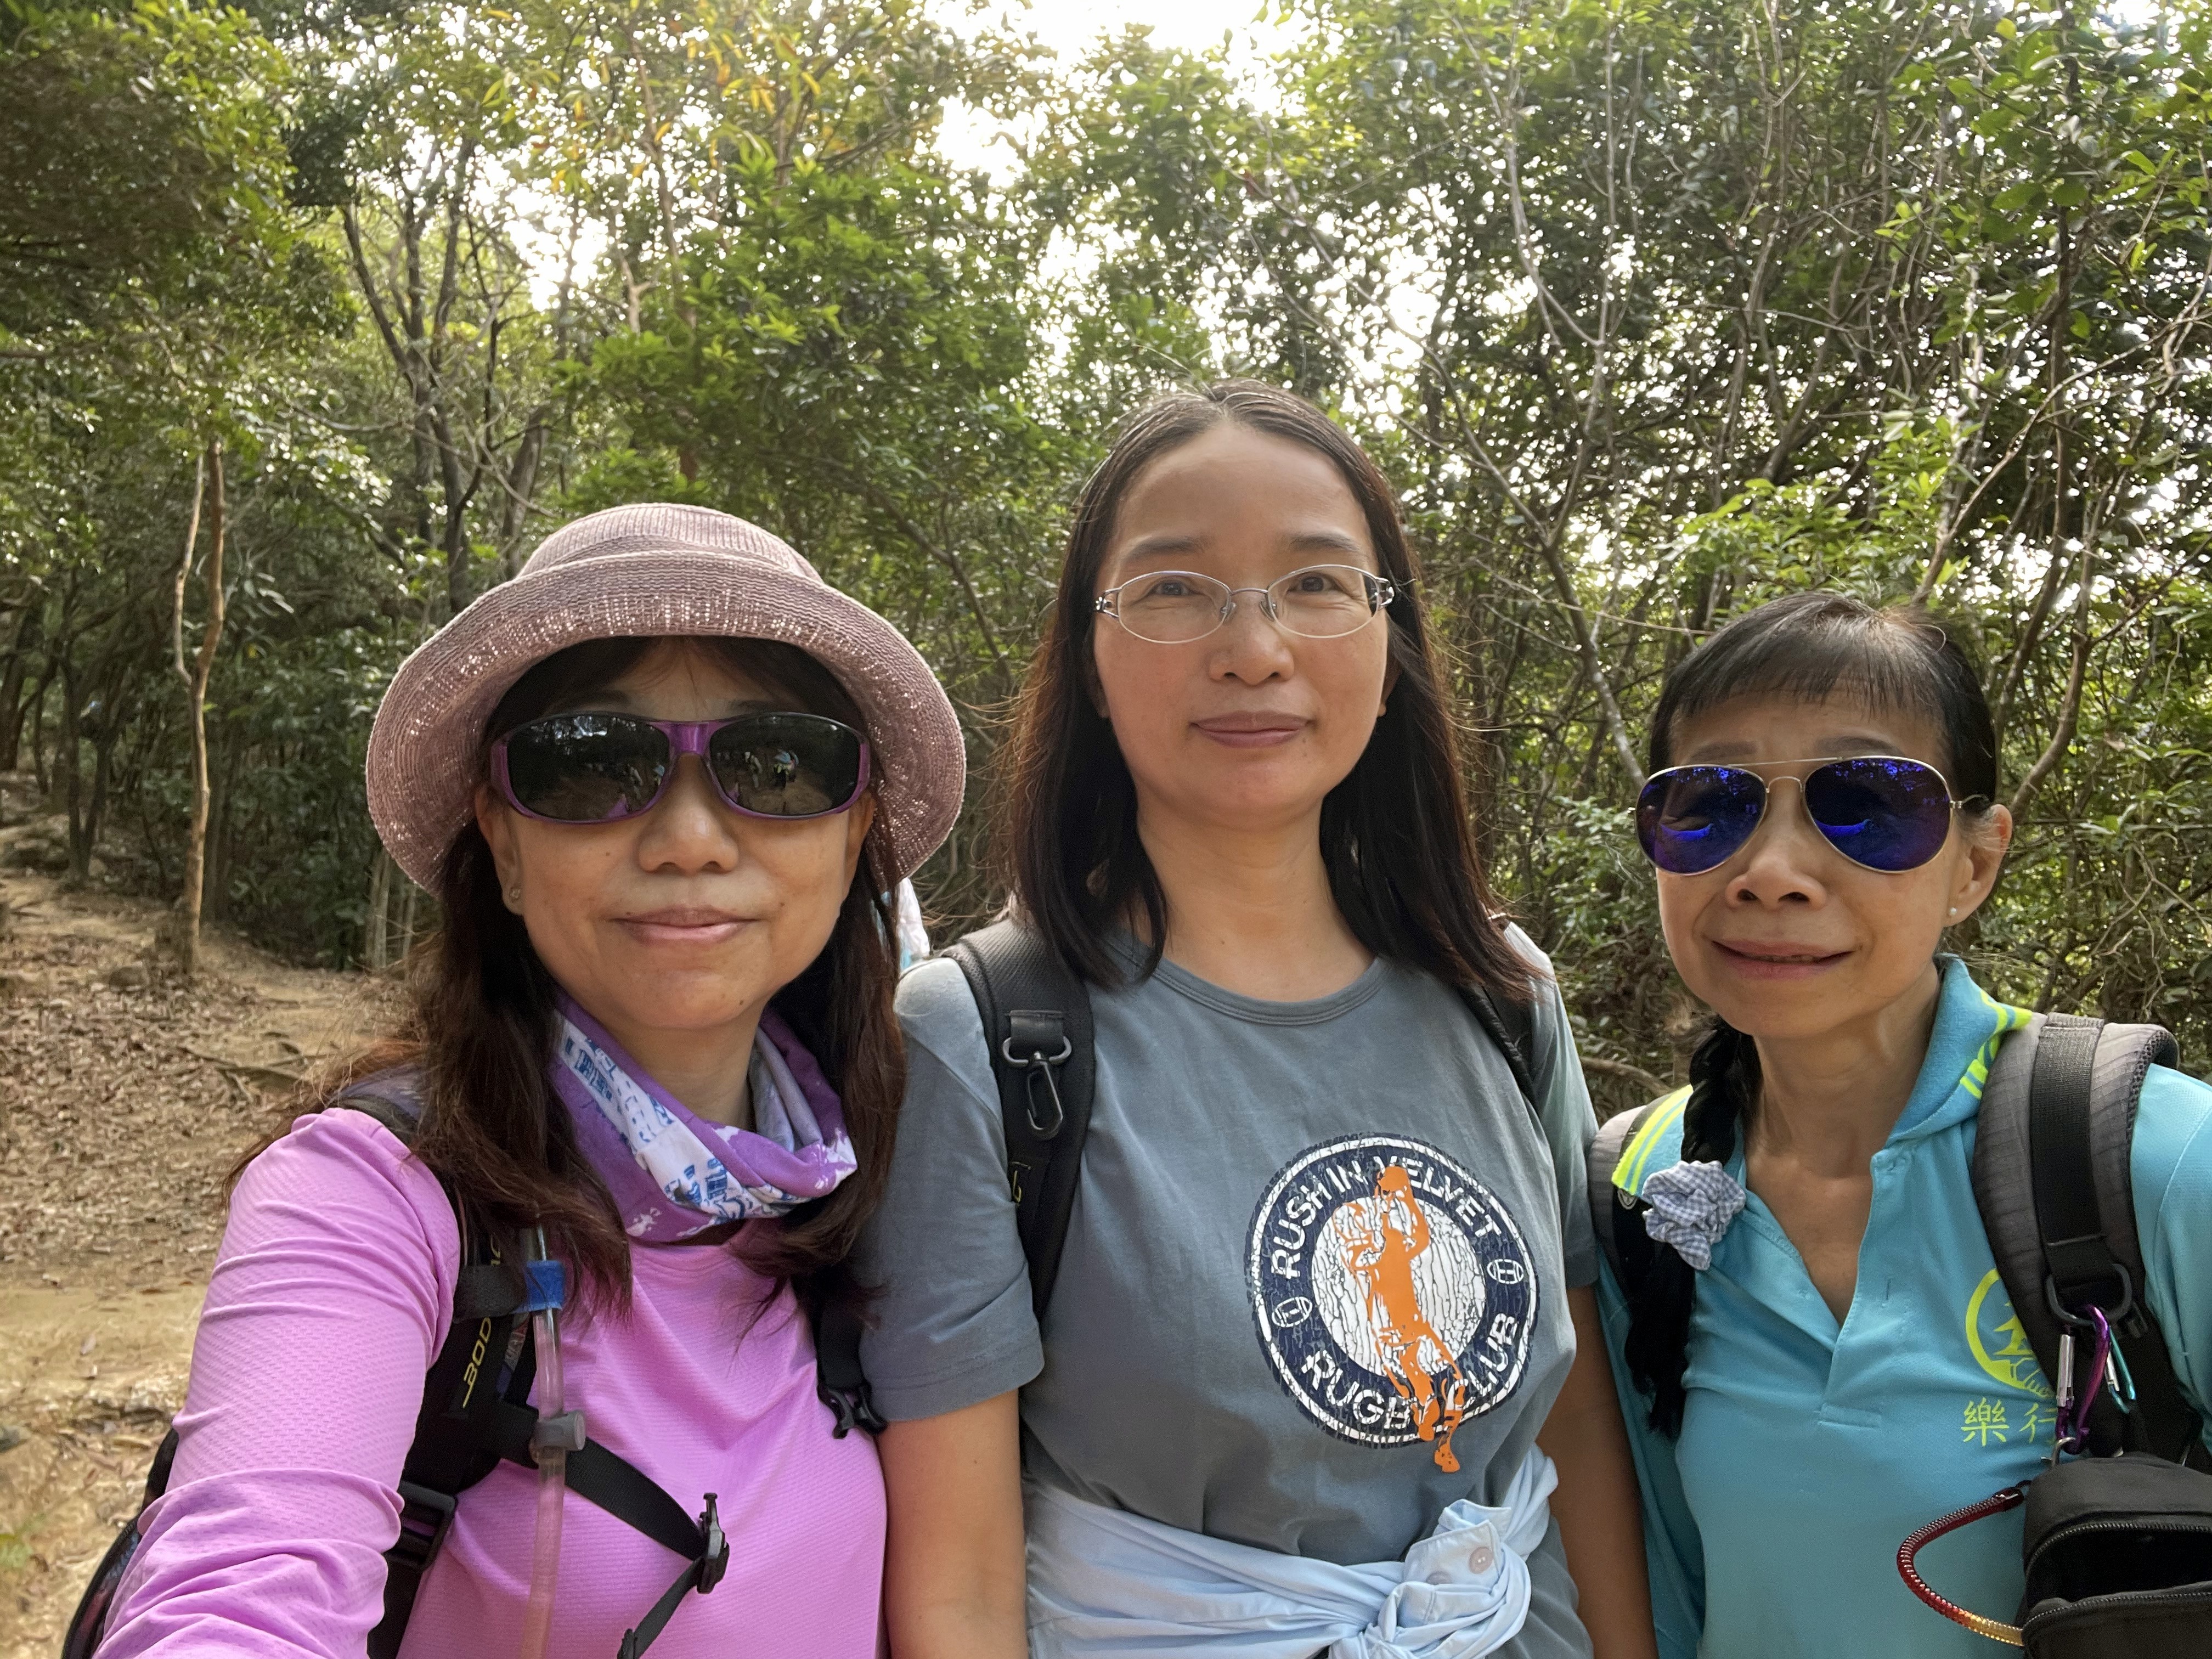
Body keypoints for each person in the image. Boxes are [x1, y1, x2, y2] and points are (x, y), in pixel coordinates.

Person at [857, 381, 1657, 1659]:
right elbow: (957, 1586)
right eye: (1175, 589)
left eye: (1318, 583)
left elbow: (1577, 1430)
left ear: (1391, 649)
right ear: (1090, 660)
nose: (1254, 648)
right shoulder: (980, 1038)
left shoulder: (1503, 993)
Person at [93, 504, 964, 1658]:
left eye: (780, 764)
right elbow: (241, 1596)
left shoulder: (890, 1176)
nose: (691, 838)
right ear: (502, 844)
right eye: (592, 764)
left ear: (854, 838)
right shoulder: (369, 1196)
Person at [1593, 591, 2212, 1656]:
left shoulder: (2150, 1159)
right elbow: (1662, 1591)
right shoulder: (1637, 1185)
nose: (1772, 873)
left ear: (1976, 862)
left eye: (1869, 806)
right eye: (1710, 804)